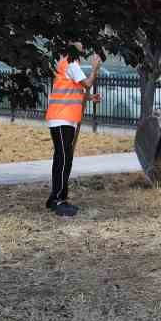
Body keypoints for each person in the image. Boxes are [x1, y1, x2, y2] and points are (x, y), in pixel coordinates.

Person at [45, 52, 100, 216]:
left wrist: (89, 97)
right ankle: (59, 201)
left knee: (61, 159)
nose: (83, 48)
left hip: (62, 119)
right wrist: (95, 69)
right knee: (64, 160)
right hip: (62, 118)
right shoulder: (71, 63)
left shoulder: (64, 63)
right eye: (80, 43)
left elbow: (74, 90)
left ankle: (54, 198)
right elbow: (87, 83)